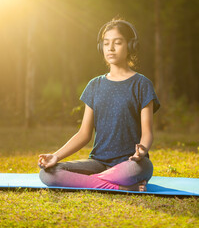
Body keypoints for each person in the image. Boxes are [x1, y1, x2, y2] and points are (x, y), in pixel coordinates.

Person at [38, 18, 160, 191]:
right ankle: (121, 187)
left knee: (141, 168)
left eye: (117, 43)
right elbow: (84, 134)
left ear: (130, 46)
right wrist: (55, 156)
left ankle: (91, 181)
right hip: (98, 162)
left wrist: (142, 150)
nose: (110, 48)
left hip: (130, 164)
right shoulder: (94, 85)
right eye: (106, 43)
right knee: (47, 173)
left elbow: (147, 133)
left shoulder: (142, 84)